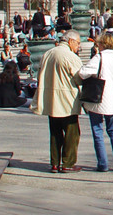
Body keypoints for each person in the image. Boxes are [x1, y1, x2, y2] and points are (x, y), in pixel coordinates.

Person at [31, 30, 84, 172]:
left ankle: (54, 163)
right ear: (71, 41)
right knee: (72, 134)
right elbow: (80, 77)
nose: (78, 46)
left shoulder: (48, 54)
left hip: (50, 99)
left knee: (55, 133)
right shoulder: (70, 56)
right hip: (67, 100)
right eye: (78, 43)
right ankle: (68, 163)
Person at [78, 33, 113, 172]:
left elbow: (83, 72)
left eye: (98, 43)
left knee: (97, 130)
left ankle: (103, 163)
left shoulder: (99, 58)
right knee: (112, 130)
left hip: (98, 99)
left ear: (102, 44)